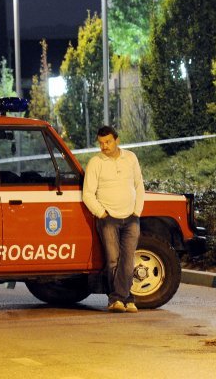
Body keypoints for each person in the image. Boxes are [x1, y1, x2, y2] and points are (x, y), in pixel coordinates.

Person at [83, 125, 145, 313]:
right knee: (112, 260)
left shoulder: (131, 158)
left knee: (128, 260)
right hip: (108, 218)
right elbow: (88, 194)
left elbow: (139, 184)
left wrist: (137, 211)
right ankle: (124, 299)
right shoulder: (95, 162)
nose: (104, 146)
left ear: (117, 140)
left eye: (108, 142)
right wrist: (102, 213)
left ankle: (119, 299)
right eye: (101, 143)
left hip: (131, 217)